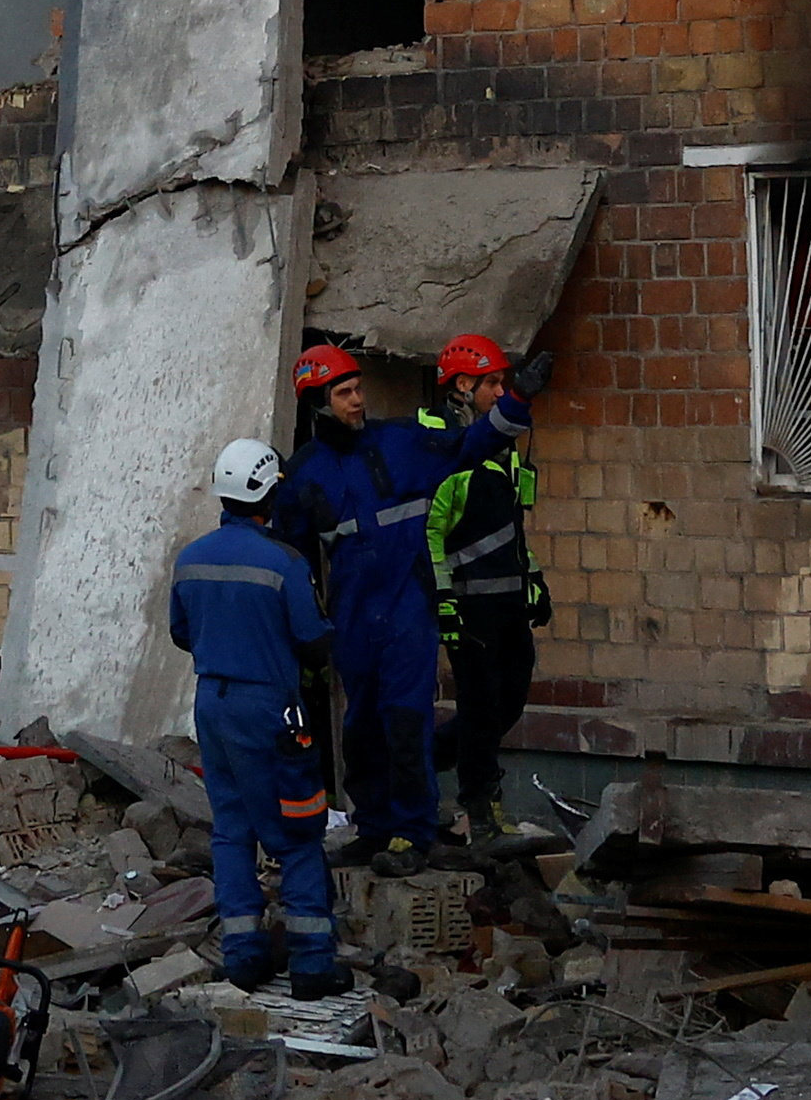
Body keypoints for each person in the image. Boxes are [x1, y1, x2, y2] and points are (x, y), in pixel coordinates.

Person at [168, 438, 349, 994]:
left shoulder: (190, 558)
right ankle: (313, 963)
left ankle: (243, 954)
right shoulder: (284, 561)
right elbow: (312, 640)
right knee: (297, 831)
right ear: (269, 493)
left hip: (213, 706)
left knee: (232, 829)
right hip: (270, 708)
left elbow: (181, 634)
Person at [272, 337, 448, 866]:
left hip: (406, 608)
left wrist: (507, 408)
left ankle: (415, 833)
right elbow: (293, 555)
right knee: (362, 725)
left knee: (404, 719)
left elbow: (467, 447)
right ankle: (373, 827)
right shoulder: (304, 472)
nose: (357, 400)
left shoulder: (398, 441)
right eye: (345, 392)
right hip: (352, 617)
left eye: (357, 389)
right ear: (319, 402)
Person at [415, 333, 551, 840]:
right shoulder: (443, 445)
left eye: (503, 382)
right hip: (470, 604)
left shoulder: (502, 449)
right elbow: (431, 531)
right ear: (461, 385)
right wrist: (444, 599)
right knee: (480, 707)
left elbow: (510, 526)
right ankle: (480, 807)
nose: (500, 391)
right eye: (492, 382)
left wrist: (533, 577)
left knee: (508, 702)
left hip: (508, 603)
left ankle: (420, 763)